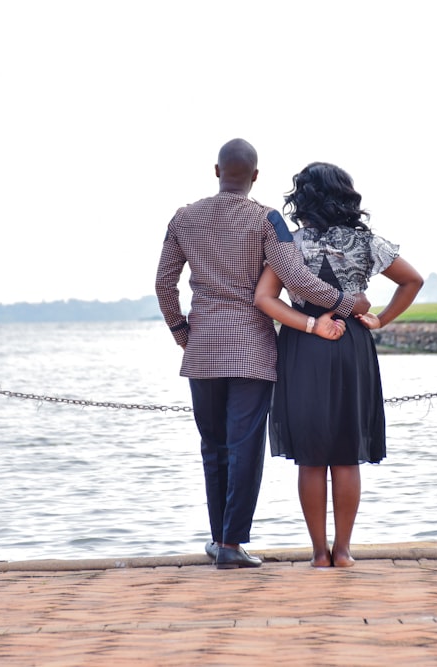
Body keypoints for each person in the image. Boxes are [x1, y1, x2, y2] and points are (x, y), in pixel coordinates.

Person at [154, 140, 370, 570]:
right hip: (252, 351)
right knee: (244, 447)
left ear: (217, 170)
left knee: (212, 447)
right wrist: (345, 302)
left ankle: (219, 539)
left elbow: (164, 283)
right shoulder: (266, 218)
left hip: (203, 350)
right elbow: (295, 278)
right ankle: (232, 544)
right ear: (255, 176)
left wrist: (181, 330)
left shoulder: (183, 218)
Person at [253, 162, 423, 568]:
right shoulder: (367, 243)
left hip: (304, 344)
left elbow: (266, 298)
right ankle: (343, 551)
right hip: (352, 344)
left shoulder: (289, 244)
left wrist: (310, 324)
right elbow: (412, 280)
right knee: (346, 453)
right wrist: (380, 319)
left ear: (303, 197)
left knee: (311, 455)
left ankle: (318, 554)